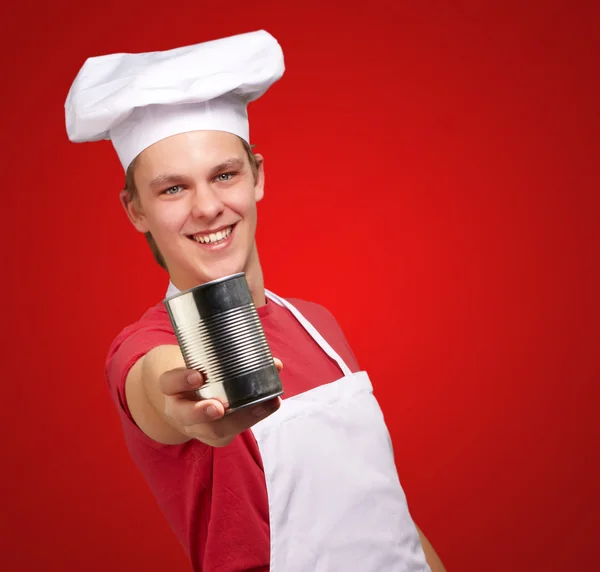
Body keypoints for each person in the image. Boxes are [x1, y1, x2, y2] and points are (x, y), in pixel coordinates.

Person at [65, 30, 446, 572]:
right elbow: (160, 387)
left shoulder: (316, 323)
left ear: (257, 177)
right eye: (172, 188)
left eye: (224, 175)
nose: (207, 208)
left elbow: (388, 513)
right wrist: (190, 406)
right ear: (136, 211)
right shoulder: (149, 347)